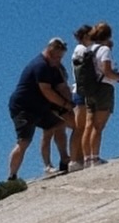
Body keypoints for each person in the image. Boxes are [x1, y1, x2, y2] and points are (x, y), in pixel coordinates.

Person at [7, 39, 75, 181]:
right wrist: (65, 104)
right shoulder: (40, 66)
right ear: (50, 52)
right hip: (24, 108)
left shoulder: (53, 67)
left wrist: (71, 103)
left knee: (58, 124)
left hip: (40, 107)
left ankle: (64, 159)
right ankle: (12, 176)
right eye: (57, 56)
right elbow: (47, 91)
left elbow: (62, 87)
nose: (59, 60)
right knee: (24, 141)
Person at [81, 21, 119, 166]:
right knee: (98, 126)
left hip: (89, 89)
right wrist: (118, 77)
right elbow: (107, 71)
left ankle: (86, 158)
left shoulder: (88, 49)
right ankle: (95, 157)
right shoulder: (104, 50)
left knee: (89, 124)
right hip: (103, 88)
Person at [66, 24, 94, 172]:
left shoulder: (80, 50)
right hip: (82, 91)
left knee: (82, 127)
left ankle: (79, 158)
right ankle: (75, 159)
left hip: (80, 90)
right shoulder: (82, 50)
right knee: (80, 127)